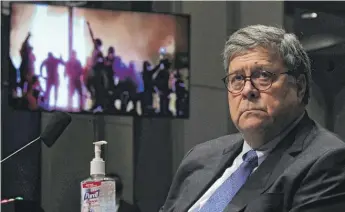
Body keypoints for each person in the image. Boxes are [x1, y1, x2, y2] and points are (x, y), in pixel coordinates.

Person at [160, 25, 345, 212]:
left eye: (263, 75)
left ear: (299, 86)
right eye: (237, 78)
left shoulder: (328, 161)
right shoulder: (200, 156)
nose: (248, 90)